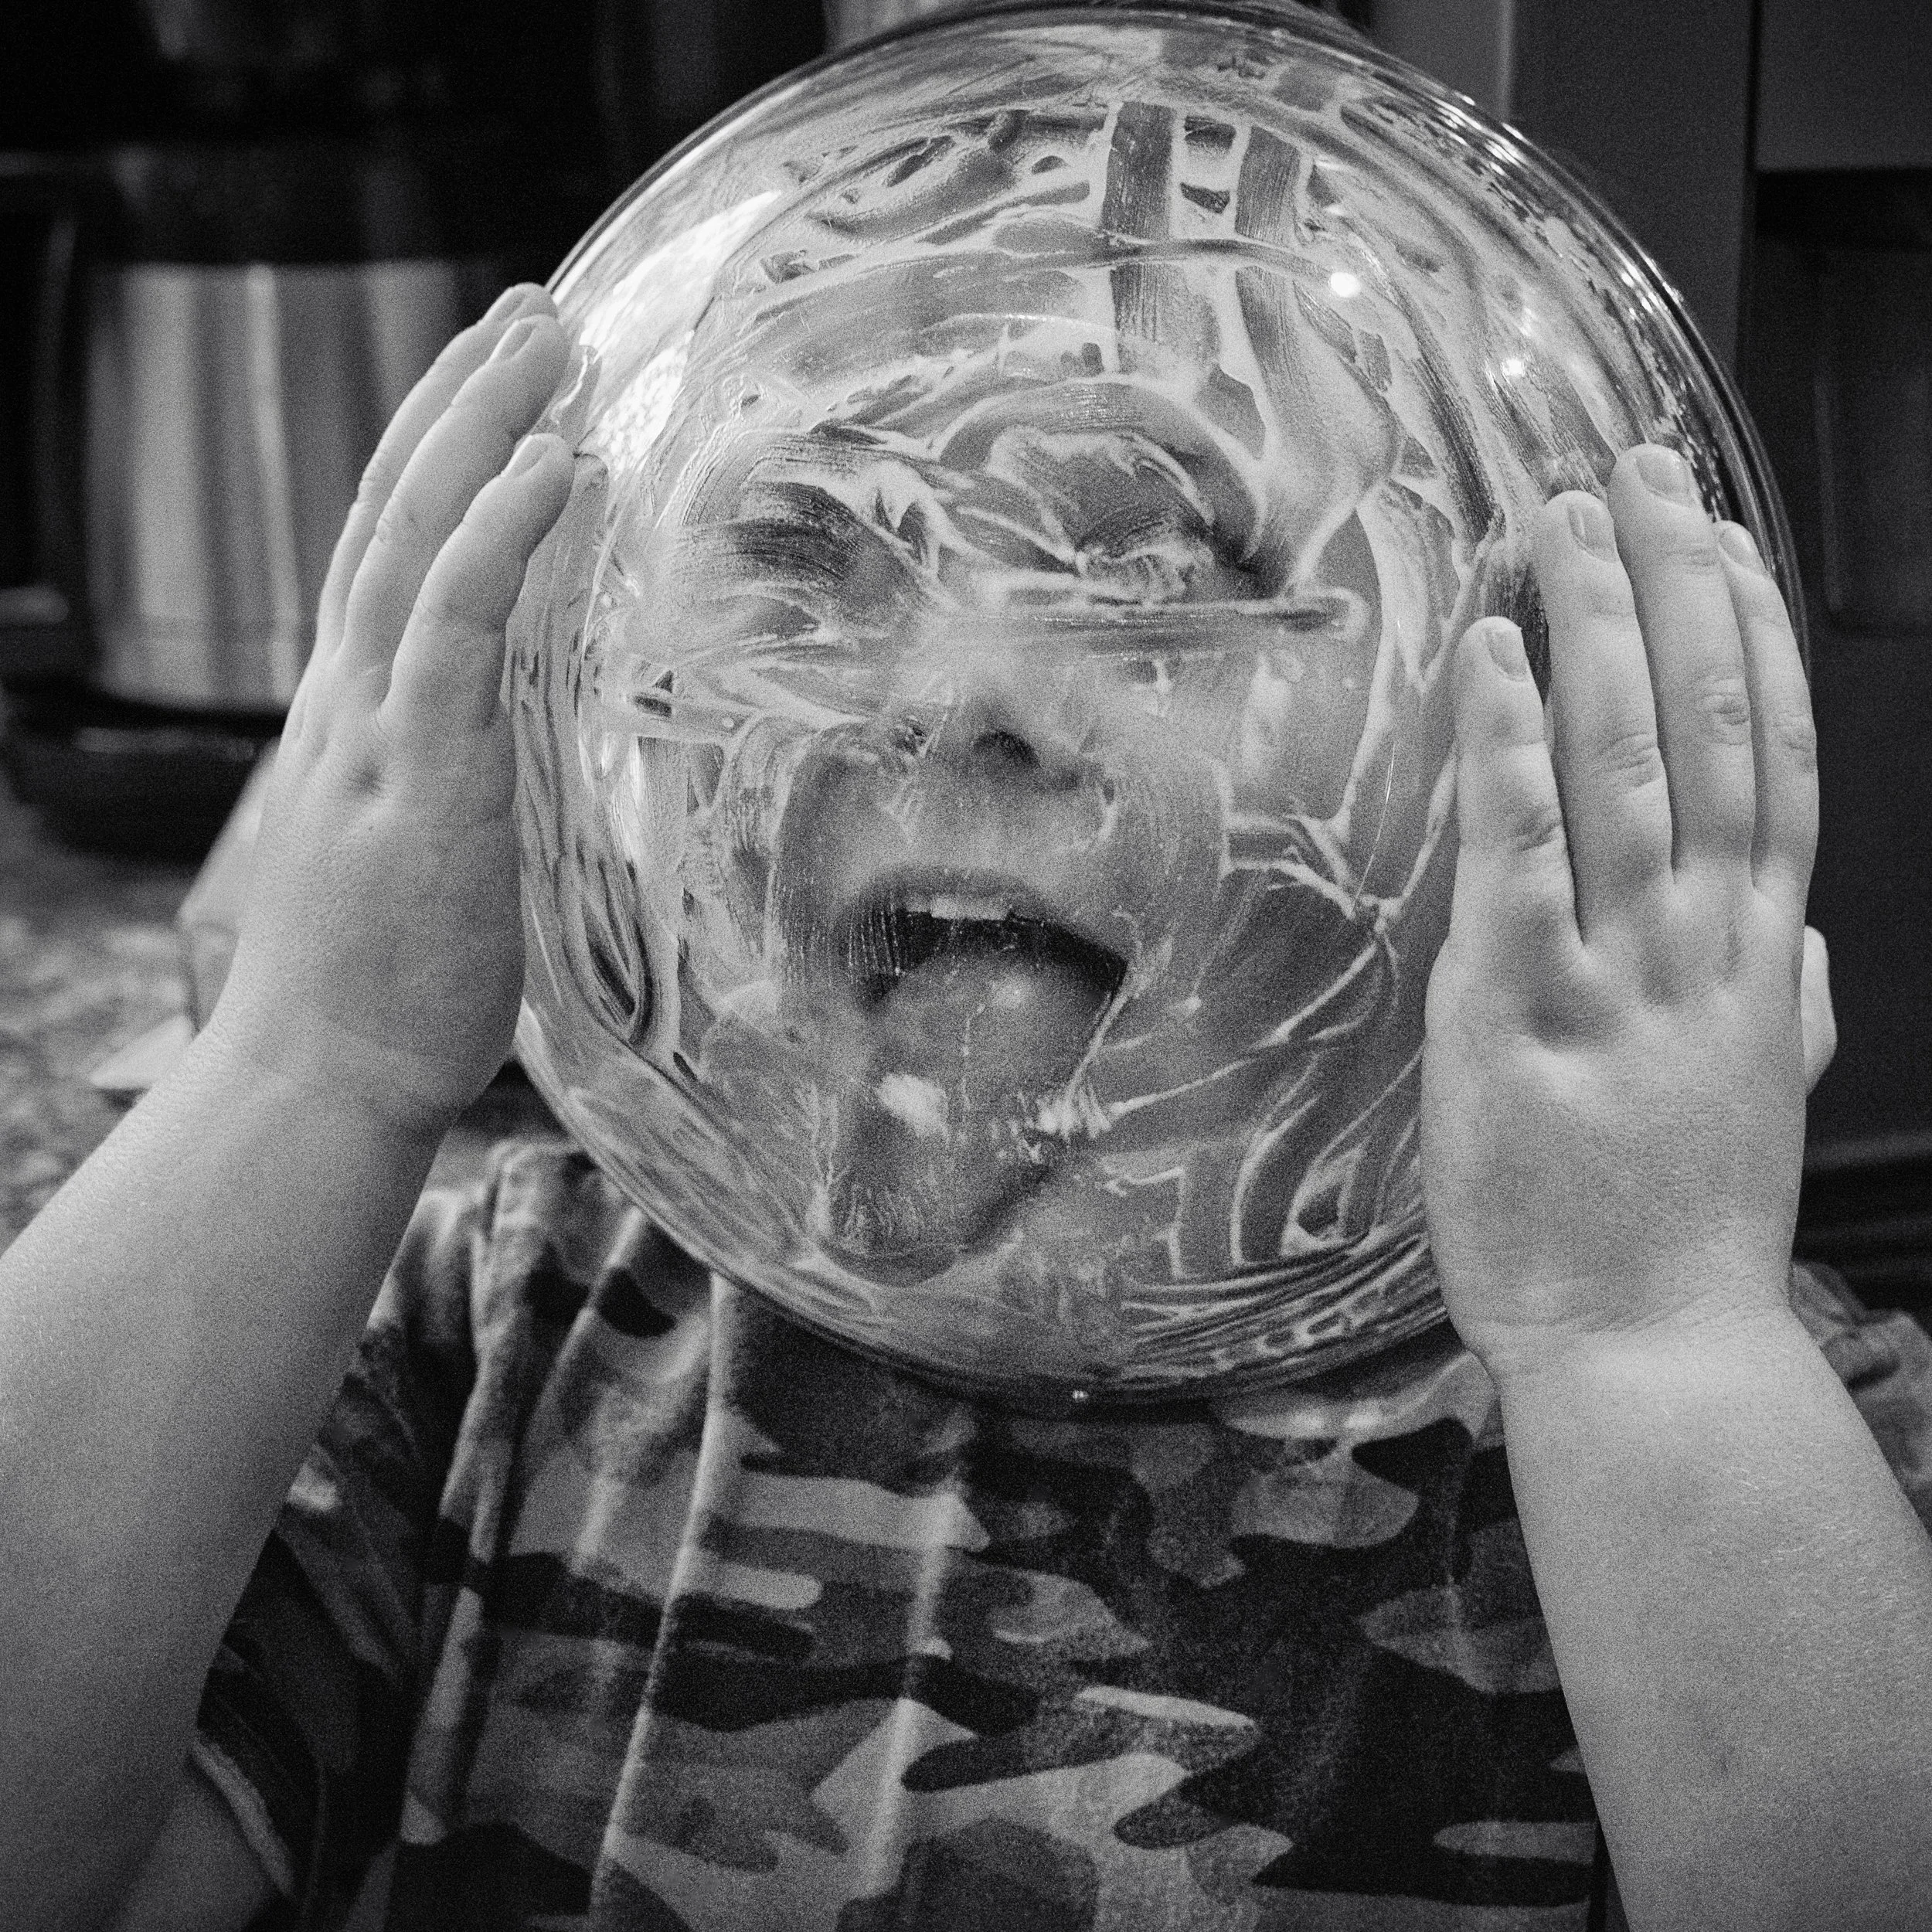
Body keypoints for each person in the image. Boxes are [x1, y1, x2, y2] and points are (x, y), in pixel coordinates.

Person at [1, 284, 1928, 1932]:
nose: (961, 691)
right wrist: (303, 1065)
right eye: (809, 557)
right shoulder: (492, 1332)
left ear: (1471, 726)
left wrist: (1644, 1328)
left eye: (1154, 570)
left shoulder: (1743, 1437)